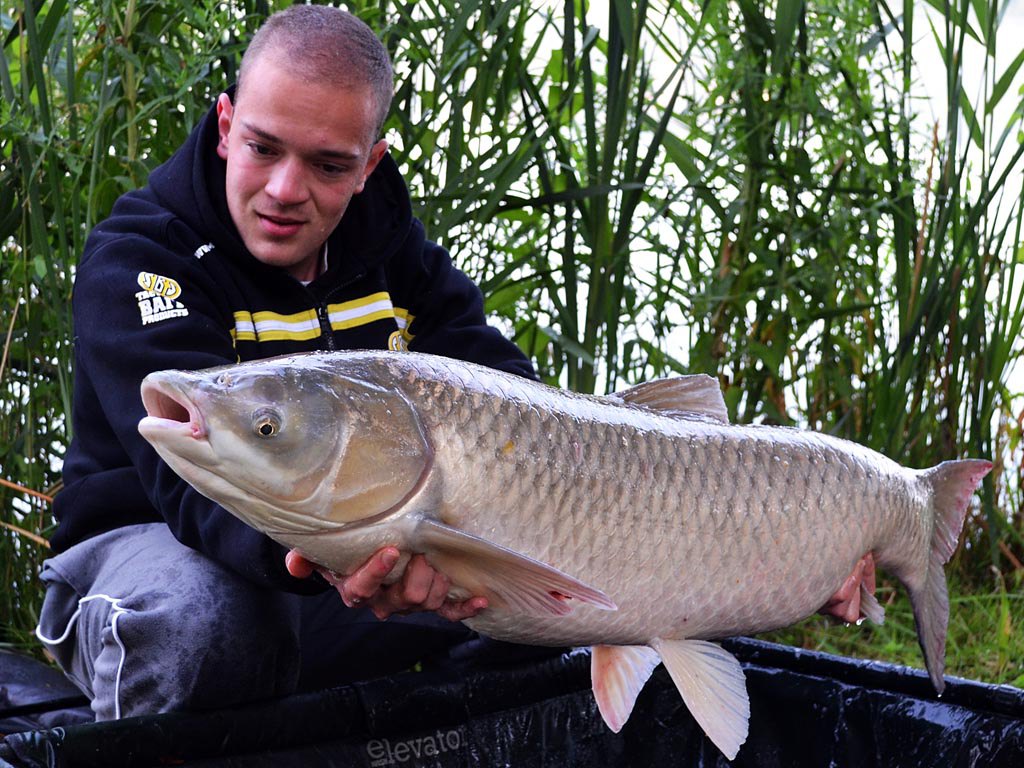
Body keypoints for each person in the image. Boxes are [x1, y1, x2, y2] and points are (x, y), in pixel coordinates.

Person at [35, 5, 874, 722]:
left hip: (359, 567)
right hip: (149, 553)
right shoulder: (143, 259)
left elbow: (522, 411)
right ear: (225, 128)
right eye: (263, 148)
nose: (287, 189)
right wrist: (316, 561)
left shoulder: (395, 254)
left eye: (328, 165)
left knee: (551, 617)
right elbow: (184, 480)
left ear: (369, 165)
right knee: (207, 624)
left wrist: (808, 545)